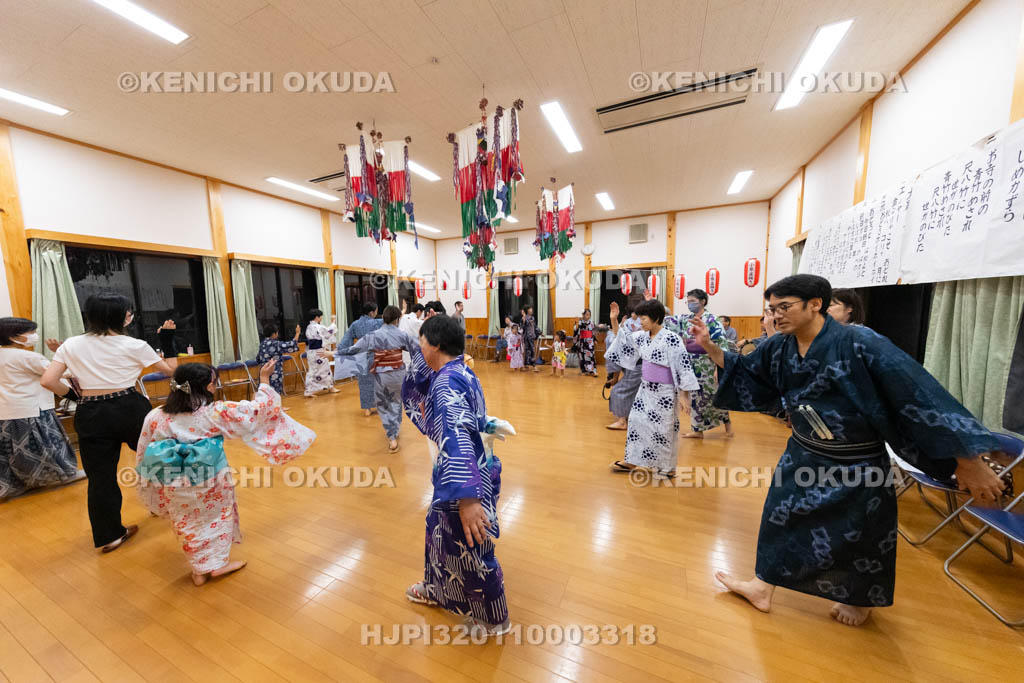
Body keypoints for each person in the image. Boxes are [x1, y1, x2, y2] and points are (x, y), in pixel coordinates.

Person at [690, 274, 1006, 627]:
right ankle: (763, 586)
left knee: (862, 531)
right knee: (780, 515)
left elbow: (918, 393)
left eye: (784, 307)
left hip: (857, 458)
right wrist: (710, 347)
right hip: (804, 451)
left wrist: (968, 459)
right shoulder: (780, 346)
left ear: (815, 304)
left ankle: (859, 599)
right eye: (771, 309)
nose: (776, 315)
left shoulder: (861, 342)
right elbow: (747, 372)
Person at [136, 361, 315, 585]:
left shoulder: (155, 416)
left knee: (186, 522)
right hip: (211, 478)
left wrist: (148, 480)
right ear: (208, 386)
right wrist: (265, 380)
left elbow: (144, 450)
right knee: (216, 517)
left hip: (174, 480)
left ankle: (199, 570)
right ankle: (217, 565)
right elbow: (257, 412)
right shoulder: (215, 412)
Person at [400, 314, 515, 636]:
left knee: (471, 545)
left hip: (464, 477)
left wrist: (468, 497)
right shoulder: (460, 372)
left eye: (422, 341)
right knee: (439, 535)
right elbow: (470, 420)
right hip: (464, 470)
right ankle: (437, 589)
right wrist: (488, 424)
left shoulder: (448, 381)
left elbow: (458, 431)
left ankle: (494, 618)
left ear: (435, 344)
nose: (419, 348)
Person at [40, 294, 178, 553]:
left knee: (100, 478)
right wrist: (168, 340)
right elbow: (171, 370)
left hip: (90, 412)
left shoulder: (70, 345)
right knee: (157, 459)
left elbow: (48, 381)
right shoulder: (134, 344)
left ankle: (110, 536)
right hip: (128, 406)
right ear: (123, 316)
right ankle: (167, 506)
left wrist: (74, 395)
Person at [605, 299, 698, 478]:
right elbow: (622, 342)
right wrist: (614, 320)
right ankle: (632, 460)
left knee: (663, 430)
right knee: (636, 422)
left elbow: (683, 367)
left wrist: (684, 396)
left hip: (665, 393)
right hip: (645, 389)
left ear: (656, 318)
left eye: (644, 319)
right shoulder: (641, 336)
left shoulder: (672, 339)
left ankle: (667, 467)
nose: (640, 322)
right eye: (639, 318)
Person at [0, 317, 80, 500]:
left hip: (6, 412)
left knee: (12, 452)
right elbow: (56, 374)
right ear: (14, 337)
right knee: (46, 446)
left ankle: (19, 484)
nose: (34, 336)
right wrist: (61, 354)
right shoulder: (28, 357)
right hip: (32, 409)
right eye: (30, 332)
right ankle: (63, 474)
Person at [336, 305, 420, 452]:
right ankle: (395, 428)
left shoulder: (373, 335)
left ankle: (392, 436)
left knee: (383, 405)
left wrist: (333, 353)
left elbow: (353, 349)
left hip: (381, 375)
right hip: (399, 373)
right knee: (396, 401)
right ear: (397, 319)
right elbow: (417, 349)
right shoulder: (402, 334)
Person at [664, 289, 733, 439]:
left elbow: (721, 344)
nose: (690, 304)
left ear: (703, 301)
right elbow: (667, 321)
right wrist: (653, 305)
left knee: (713, 395)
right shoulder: (686, 319)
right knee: (695, 397)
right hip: (690, 361)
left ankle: (728, 425)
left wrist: (718, 367)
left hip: (708, 361)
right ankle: (697, 430)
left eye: (693, 301)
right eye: (688, 302)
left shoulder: (713, 320)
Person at [338, 303, 383, 416]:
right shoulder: (377, 322)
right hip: (376, 356)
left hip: (361, 356)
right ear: (371, 312)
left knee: (364, 383)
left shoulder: (355, 324)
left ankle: (367, 409)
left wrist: (340, 350)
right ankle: (379, 406)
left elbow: (345, 340)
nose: (376, 313)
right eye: (376, 311)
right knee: (378, 382)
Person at [604, 302, 643, 431]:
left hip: (640, 367)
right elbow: (620, 337)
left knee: (619, 391)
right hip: (634, 366)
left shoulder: (649, 332)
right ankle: (627, 418)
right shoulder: (632, 331)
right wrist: (613, 319)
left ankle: (622, 421)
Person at [256, 323, 300, 395]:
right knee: (274, 394)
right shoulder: (275, 344)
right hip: (274, 372)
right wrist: (297, 333)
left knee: (264, 394)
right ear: (274, 334)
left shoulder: (262, 344)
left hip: (264, 373)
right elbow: (292, 344)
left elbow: (258, 359)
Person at [304, 309, 338, 397]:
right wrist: (333, 321)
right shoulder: (317, 327)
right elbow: (329, 331)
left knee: (314, 370)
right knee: (321, 371)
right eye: (320, 316)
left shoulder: (309, 327)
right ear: (317, 317)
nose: (321, 318)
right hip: (318, 352)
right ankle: (310, 391)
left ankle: (329, 387)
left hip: (311, 352)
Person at [573, 309, 599, 377]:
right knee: (582, 356)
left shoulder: (592, 323)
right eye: (587, 314)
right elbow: (575, 330)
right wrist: (577, 323)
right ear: (583, 315)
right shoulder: (580, 322)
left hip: (590, 342)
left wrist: (595, 340)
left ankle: (593, 371)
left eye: (589, 315)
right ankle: (584, 370)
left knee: (591, 356)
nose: (588, 316)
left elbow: (594, 332)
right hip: (582, 342)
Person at [521, 305, 539, 373]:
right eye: (530, 309)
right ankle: (528, 365)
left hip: (531, 337)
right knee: (527, 351)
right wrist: (524, 318)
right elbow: (522, 327)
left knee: (532, 351)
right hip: (526, 337)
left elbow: (535, 327)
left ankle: (532, 365)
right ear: (527, 310)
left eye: (531, 309)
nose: (531, 310)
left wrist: (540, 332)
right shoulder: (524, 318)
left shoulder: (533, 318)